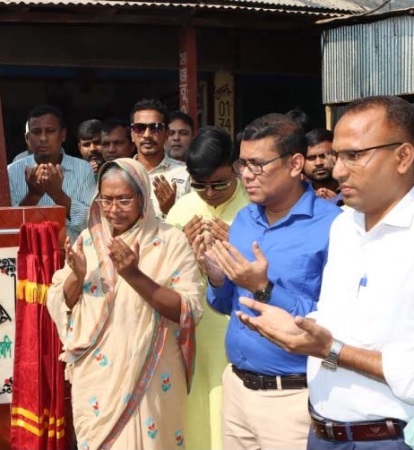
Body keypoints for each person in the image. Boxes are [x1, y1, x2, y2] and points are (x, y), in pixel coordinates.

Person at [237, 95, 414, 450]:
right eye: (337, 156)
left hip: (387, 440)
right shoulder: (344, 226)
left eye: (354, 156)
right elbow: (338, 318)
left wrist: (331, 349)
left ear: (403, 157)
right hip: (322, 434)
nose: (337, 171)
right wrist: (297, 325)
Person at [202, 113, 341, 449]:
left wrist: (264, 289)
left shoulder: (334, 227)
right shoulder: (244, 219)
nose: (246, 175)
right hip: (236, 387)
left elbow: (336, 324)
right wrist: (217, 277)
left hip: (292, 397)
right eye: (242, 164)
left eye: (257, 164)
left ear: (295, 164)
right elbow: (223, 306)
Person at [47, 158, 203, 449]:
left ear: (143, 197)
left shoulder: (171, 241)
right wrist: (77, 276)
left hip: (152, 374)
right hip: (98, 382)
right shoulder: (89, 240)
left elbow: (188, 309)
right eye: (106, 200)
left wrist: (133, 274)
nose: (113, 209)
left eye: (123, 200)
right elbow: (60, 303)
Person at [165, 126, 250, 450]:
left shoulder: (254, 208)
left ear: (236, 169)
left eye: (220, 184)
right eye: (200, 186)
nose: (211, 194)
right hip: (195, 333)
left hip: (238, 326)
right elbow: (160, 277)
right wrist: (179, 247)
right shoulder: (182, 210)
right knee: (197, 410)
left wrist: (236, 244)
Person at [7, 105, 96, 242]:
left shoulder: (83, 169)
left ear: (63, 135)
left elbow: (91, 222)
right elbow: (9, 226)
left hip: (73, 256)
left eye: (50, 131)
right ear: (27, 139)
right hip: (28, 255)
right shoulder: (12, 171)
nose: (43, 138)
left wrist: (58, 195)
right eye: (36, 132)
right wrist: (33, 195)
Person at [130, 98, 191, 218]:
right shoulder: (120, 172)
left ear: (166, 134)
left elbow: (195, 222)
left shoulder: (185, 173)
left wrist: (171, 210)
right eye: (139, 128)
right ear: (132, 134)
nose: (147, 135)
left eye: (155, 127)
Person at [304, 128, 340, 200]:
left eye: (324, 156)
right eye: (311, 158)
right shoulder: (297, 195)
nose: (319, 163)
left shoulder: (355, 191)